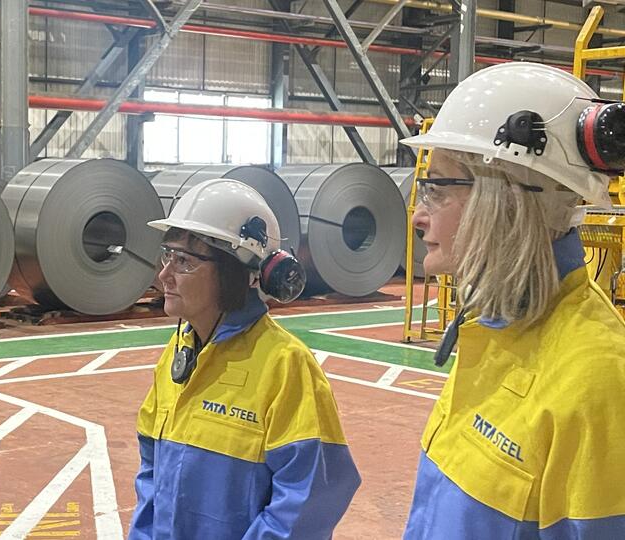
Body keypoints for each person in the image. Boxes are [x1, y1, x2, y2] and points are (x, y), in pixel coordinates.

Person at [401, 62, 625, 538]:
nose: (418, 216)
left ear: (509, 198)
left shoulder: (597, 384)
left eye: (437, 187)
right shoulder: (490, 329)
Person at [129, 179, 360, 540]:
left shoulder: (285, 367)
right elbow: (151, 472)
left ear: (234, 272)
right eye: (168, 256)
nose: (164, 275)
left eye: (184, 261)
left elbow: (308, 502)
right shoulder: (176, 357)